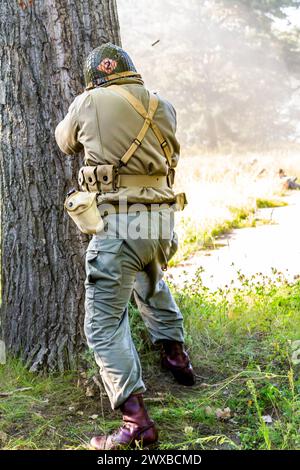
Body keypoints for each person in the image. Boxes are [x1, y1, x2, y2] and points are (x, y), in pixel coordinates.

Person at [55, 43, 195, 450]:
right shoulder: (163, 105)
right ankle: (177, 358)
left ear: (94, 77)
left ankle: (136, 423)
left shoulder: (87, 102)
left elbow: (66, 142)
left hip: (119, 223)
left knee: (101, 324)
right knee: (150, 282)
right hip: (161, 222)